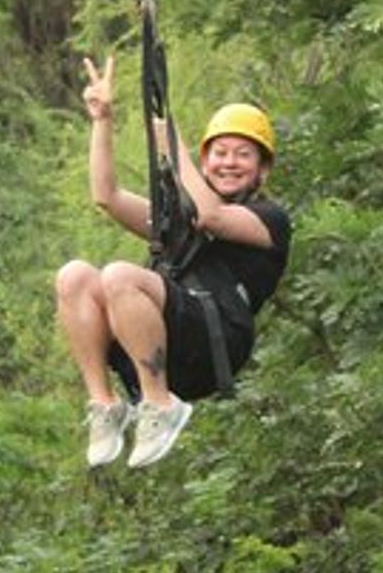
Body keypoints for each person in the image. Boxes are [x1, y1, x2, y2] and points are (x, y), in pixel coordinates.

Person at [54, 53, 292, 468]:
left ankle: (159, 404)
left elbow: (212, 216)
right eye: (220, 153)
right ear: (204, 162)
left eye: (243, 155)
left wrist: (169, 139)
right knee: (74, 276)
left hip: (215, 342)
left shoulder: (270, 222)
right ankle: (105, 405)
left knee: (119, 276)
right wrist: (103, 120)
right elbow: (106, 197)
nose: (229, 163)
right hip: (164, 341)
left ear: (262, 172)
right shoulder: (179, 225)